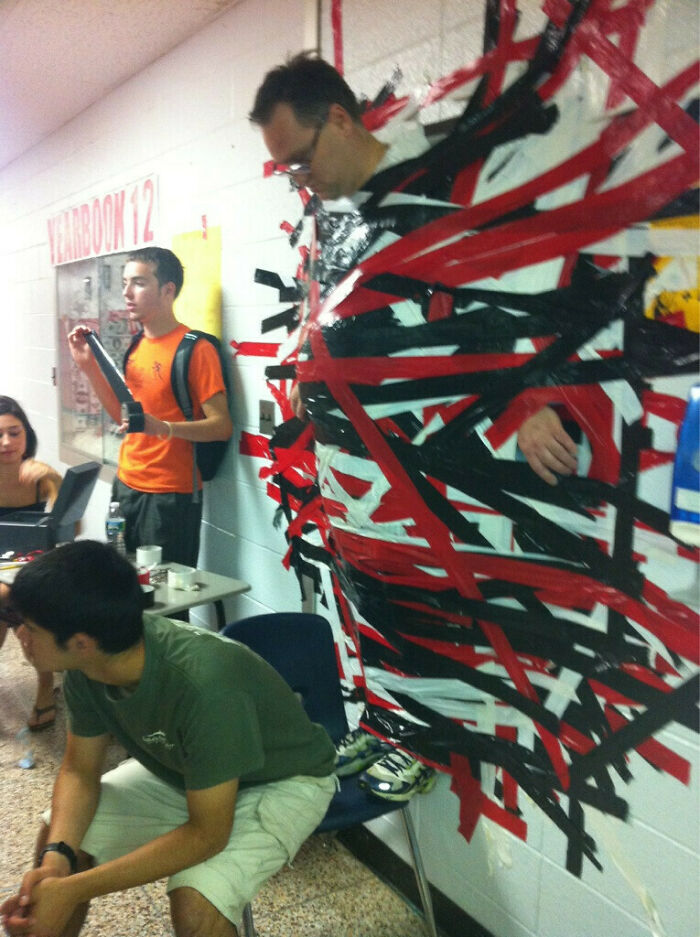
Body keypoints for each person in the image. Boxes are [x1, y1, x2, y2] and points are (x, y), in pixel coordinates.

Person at [249, 52, 579, 485]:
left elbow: (524, 304)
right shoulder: (333, 219)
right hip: (354, 487)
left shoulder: (449, 186)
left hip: (441, 480)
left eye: (303, 161)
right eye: (291, 172)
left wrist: (531, 399)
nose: (302, 181)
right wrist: (311, 371)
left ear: (340, 120)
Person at [0, 540, 336, 937]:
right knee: (58, 842)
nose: (18, 634)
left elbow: (208, 834)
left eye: (31, 628)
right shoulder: (88, 665)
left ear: (81, 642)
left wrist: (73, 889)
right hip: (189, 772)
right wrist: (57, 862)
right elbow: (79, 771)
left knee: (196, 904)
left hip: (282, 780)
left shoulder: (205, 684)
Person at [68, 247, 232, 566]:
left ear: (168, 290)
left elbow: (221, 425)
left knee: (164, 597)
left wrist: (165, 428)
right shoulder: (136, 345)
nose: (127, 293)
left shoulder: (195, 350)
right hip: (126, 483)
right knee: (121, 587)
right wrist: (88, 367)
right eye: (125, 283)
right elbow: (124, 418)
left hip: (171, 495)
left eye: (139, 283)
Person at [0, 395, 61, 731]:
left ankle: (44, 685)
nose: (7, 443)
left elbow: (71, 526)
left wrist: (55, 479)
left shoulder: (40, 475)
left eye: (14, 432)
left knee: (30, 615)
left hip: (31, 567)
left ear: (26, 435)